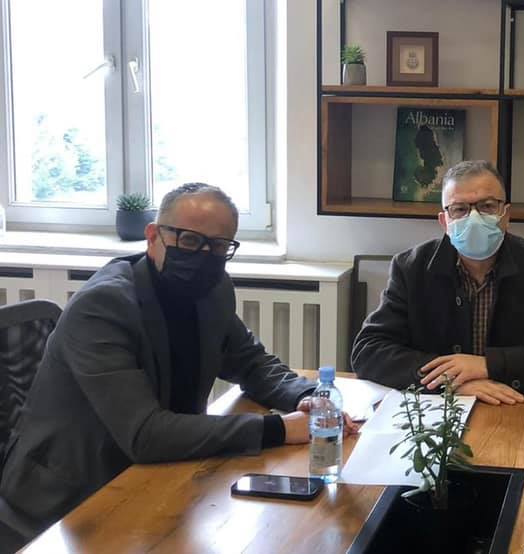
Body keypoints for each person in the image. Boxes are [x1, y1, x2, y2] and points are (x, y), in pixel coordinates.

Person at [0, 183, 357, 550]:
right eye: (189, 240)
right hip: (69, 498)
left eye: (218, 247)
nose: (204, 255)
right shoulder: (104, 306)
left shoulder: (211, 289)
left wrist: (312, 397)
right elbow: (146, 434)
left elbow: (251, 362)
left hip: (156, 473)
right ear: (153, 236)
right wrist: (278, 429)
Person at [352, 160, 524, 404]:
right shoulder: (410, 268)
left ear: (506, 215)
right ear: (444, 222)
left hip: (515, 408)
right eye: (459, 209)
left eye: (487, 206)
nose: (474, 218)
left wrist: (488, 365)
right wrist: (451, 382)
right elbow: (368, 351)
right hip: (440, 412)